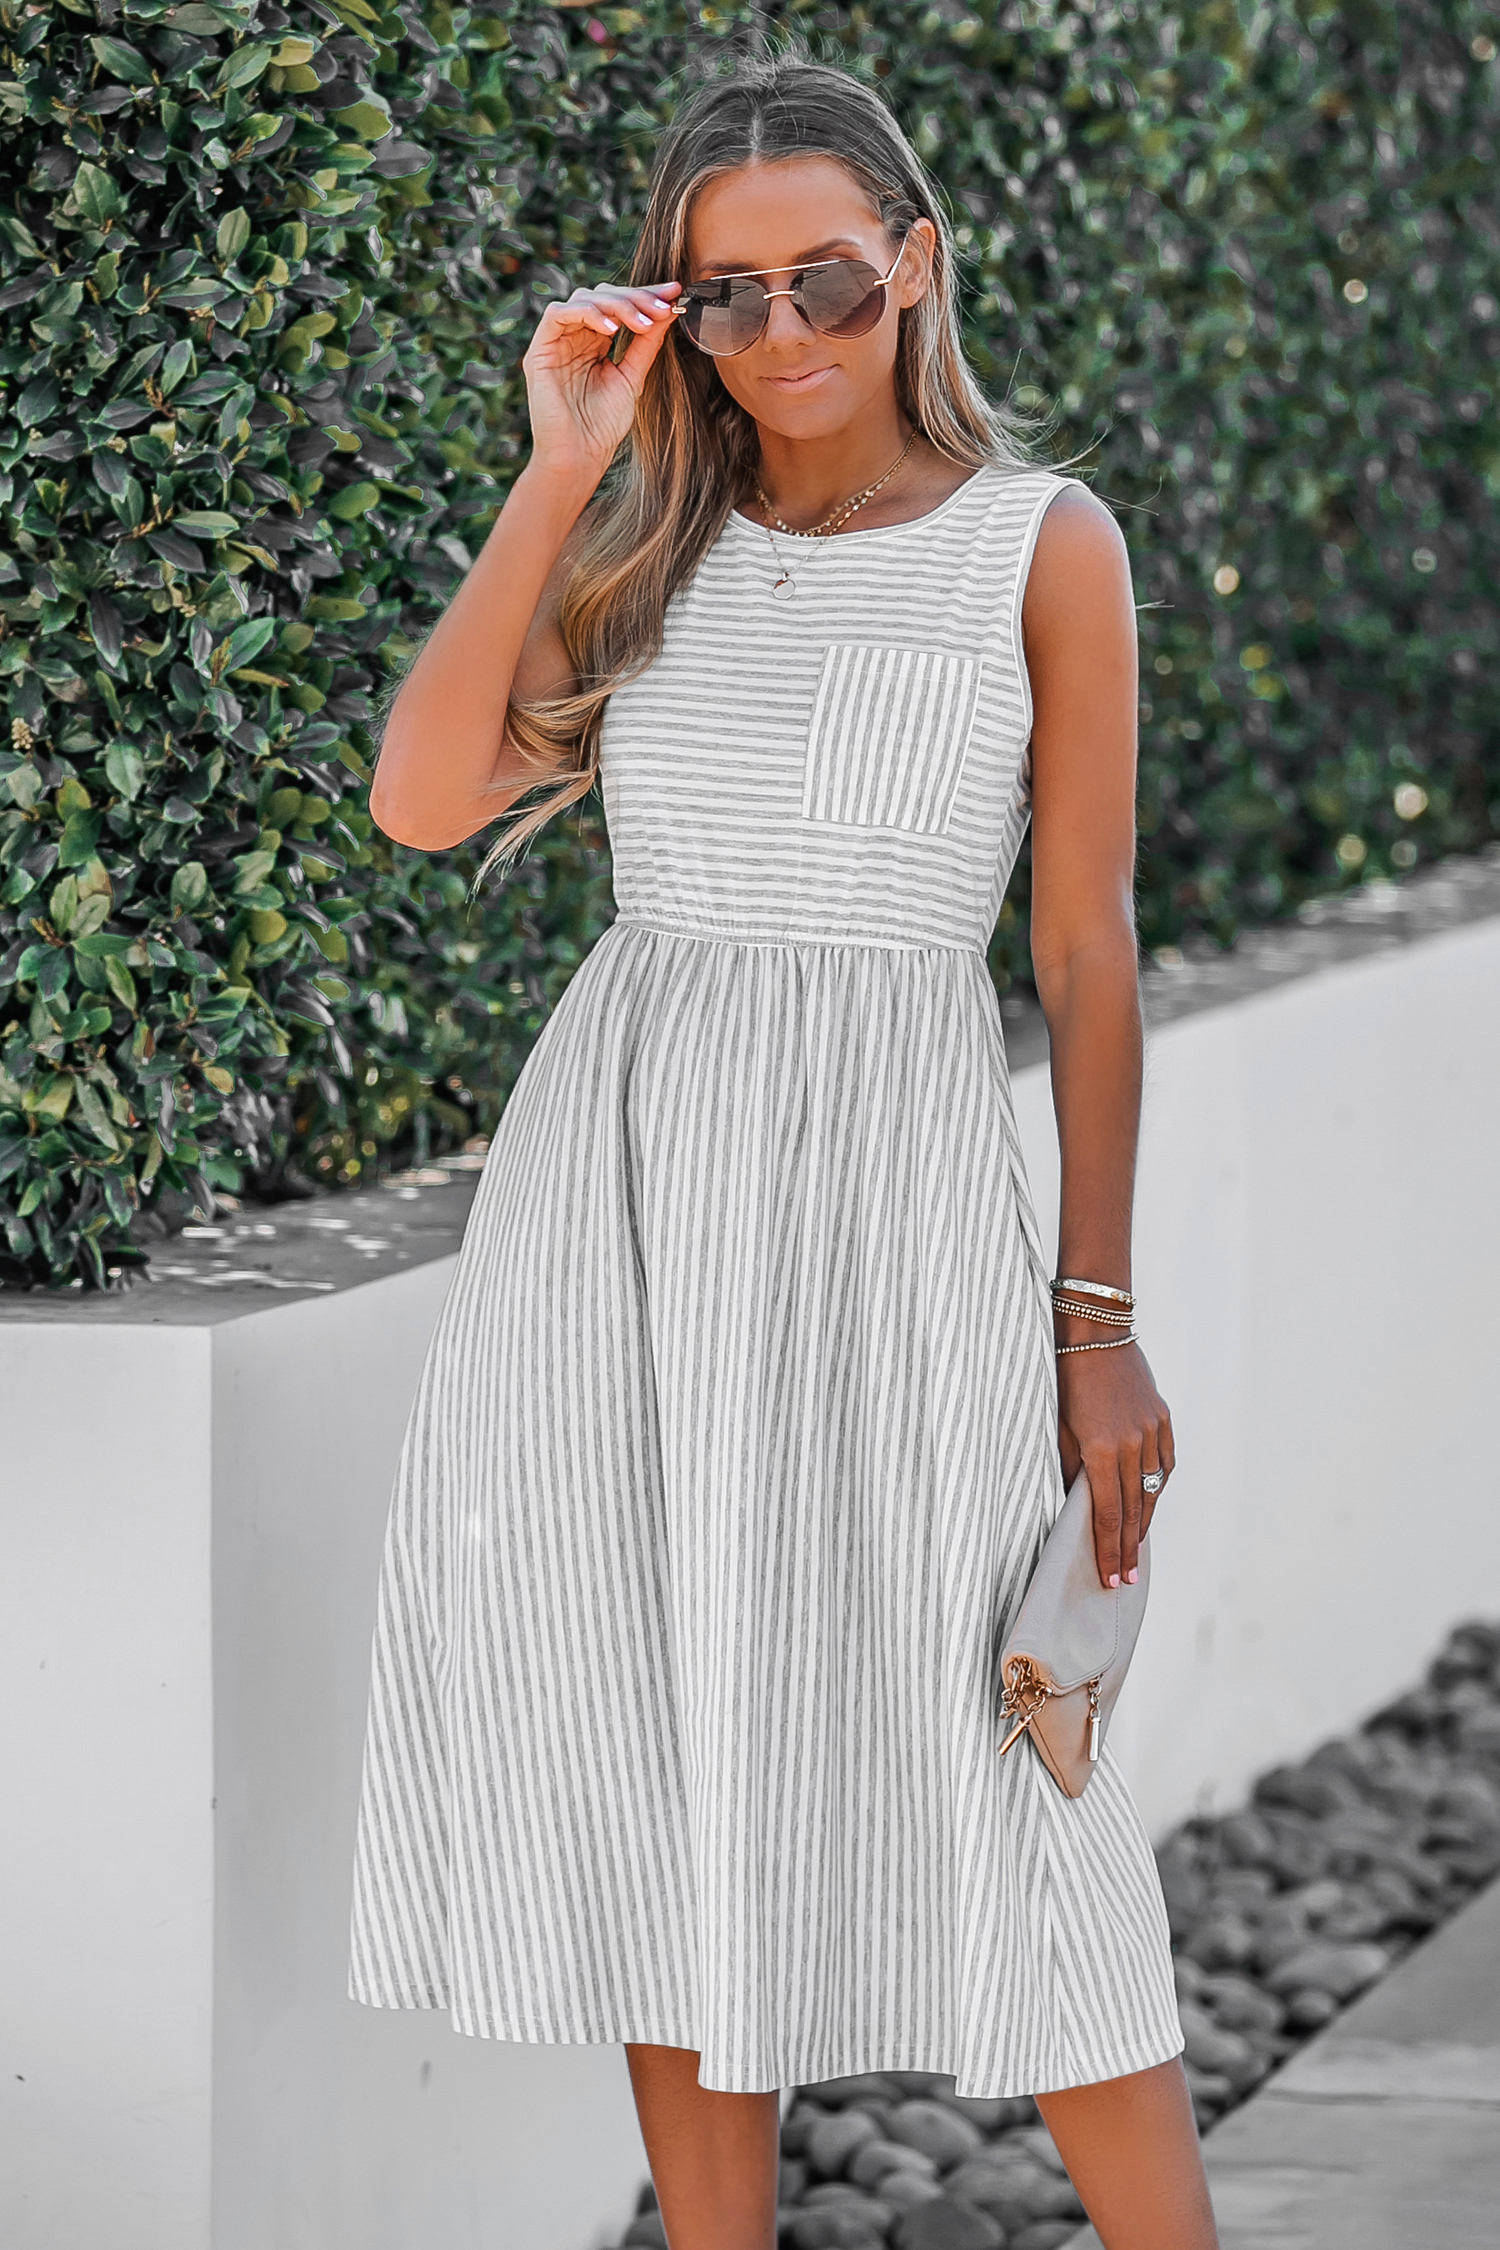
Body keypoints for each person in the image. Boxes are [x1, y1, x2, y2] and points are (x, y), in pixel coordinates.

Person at [351, 49, 1218, 2250]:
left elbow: (1086, 949)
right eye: (723, 297)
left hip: (901, 1210)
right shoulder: (652, 542)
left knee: (1018, 1772)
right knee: (671, 1768)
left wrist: (1096, 1318)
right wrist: (561, 464)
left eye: (823, 278)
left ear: (913, 263)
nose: (782, 335)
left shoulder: (1044, 545)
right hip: (624, 1215)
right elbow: (424, 798)